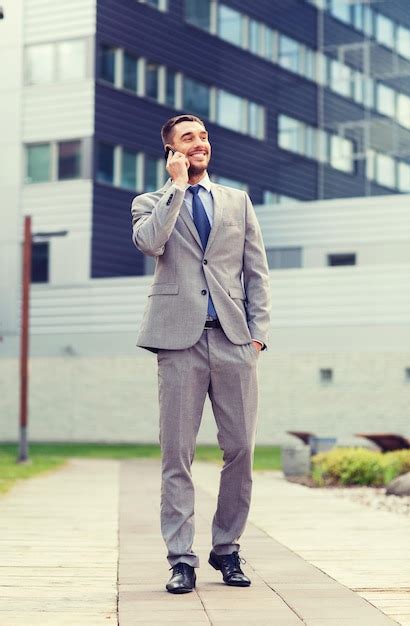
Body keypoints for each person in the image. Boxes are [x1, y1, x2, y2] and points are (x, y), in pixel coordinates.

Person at [131, 114, 271, 594]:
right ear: (170, 150)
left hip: (233, 340)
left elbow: (256, 274)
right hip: (178, 343)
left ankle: (227, 549)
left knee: (241, 450)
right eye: (189, 138)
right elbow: (151, 243)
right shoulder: (149, 203)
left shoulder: (238, 201)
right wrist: (175, 188)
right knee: (178, 454)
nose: (200, 144)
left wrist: (257, 336)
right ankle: (181, 559)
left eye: (204, 136)